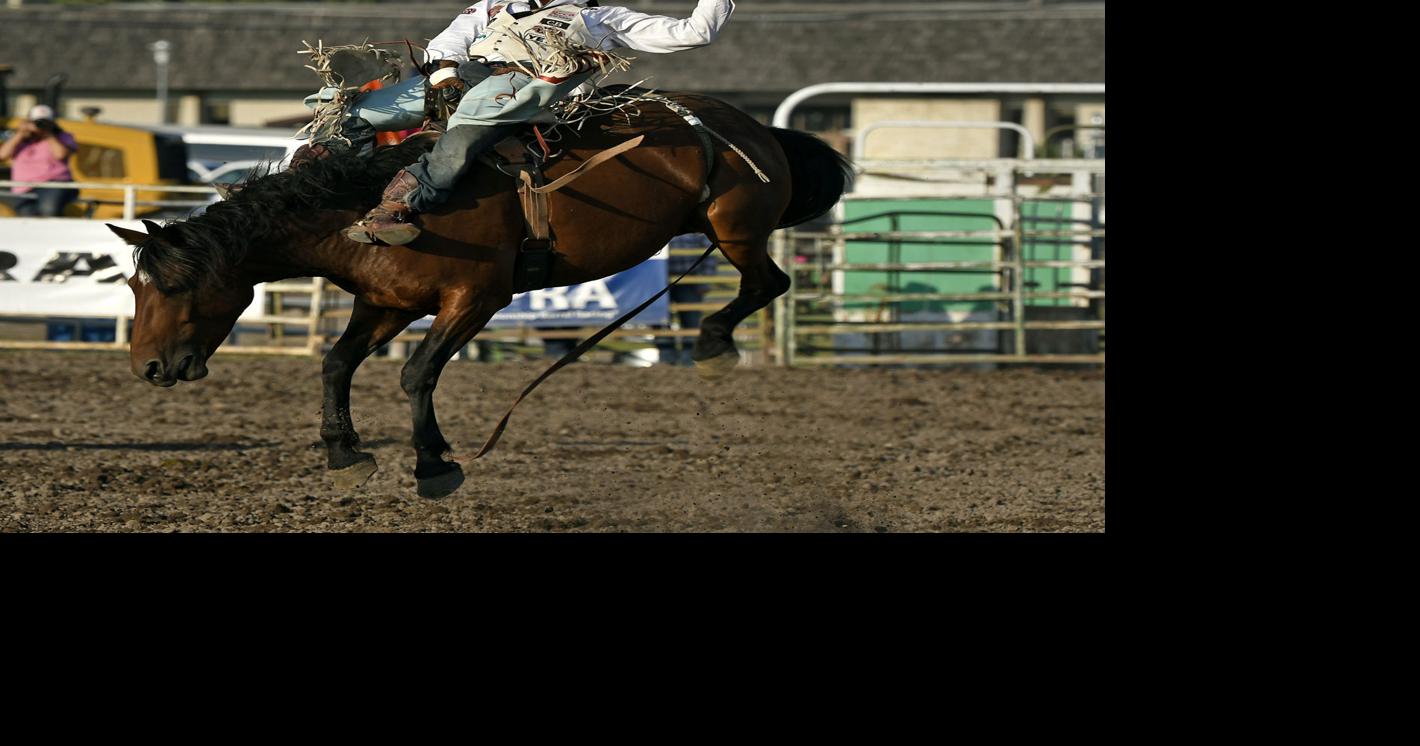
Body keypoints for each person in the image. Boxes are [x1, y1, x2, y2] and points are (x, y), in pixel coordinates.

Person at [297, 0, 736, 246]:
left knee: (464, 133)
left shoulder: (600, 19)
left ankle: (398, 204)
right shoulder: (494, 5)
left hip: (523, 88)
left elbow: (692, 33)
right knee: (355, 108)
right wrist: (446, 72)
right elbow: (452, 37)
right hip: (464, 76)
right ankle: (315, 175)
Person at [0, 105, 80, 217]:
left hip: (54, 184)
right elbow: (2, 155)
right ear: (29, 122)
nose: (40, 125)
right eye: (36, 122)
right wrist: (20, 133)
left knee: (48, 210)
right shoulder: (20, 139)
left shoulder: (63, 137)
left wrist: (48, 134)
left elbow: (60, 154)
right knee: (27, 216)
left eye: (45, 122)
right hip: (23, 187)